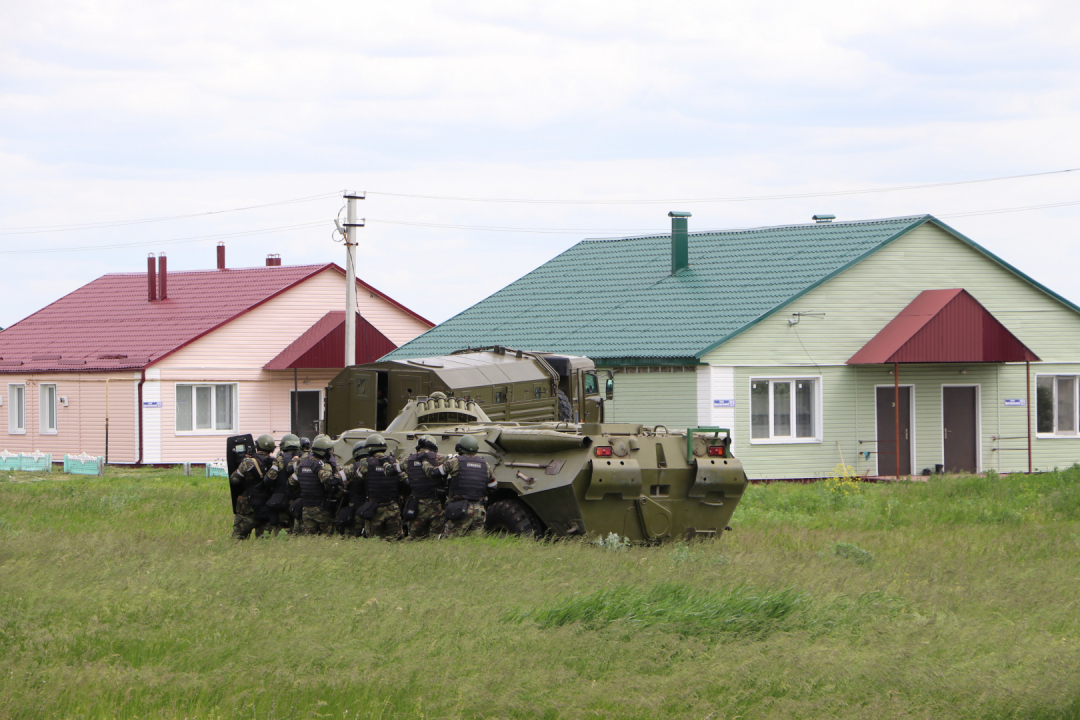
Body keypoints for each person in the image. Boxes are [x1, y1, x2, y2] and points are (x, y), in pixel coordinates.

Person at [424, 435, 496, 538]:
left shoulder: (455, 462)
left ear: (460, 448)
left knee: (450, 542)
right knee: (477, 544)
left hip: (460, 509)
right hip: (479, 510)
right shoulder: (485, 465)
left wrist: (424, 462)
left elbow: (434, 473)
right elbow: (493, 486)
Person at [357, 433, 406, 540]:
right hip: (392, 506)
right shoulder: (394, 461)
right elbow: (404, 480)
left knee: (374, 541)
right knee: (395, 539)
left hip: (374, 508)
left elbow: (359, 478)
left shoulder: (365, 463)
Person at [288, 436, 339, 535]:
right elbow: (330, 483)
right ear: (323, 451)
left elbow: (291, 483)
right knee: (326, 539)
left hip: (306, 509)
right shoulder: (325, 466)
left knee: (308, 540)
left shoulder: (301, 465)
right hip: (322, 509)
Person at [229, 433, 276, 540]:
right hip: (267, 506)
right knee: (264, 542)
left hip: (247, 508)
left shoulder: (248, 462)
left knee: (238, 538)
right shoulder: (276, 463)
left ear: (257, 446)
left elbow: (234, 480)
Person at [402, 434, 446, 539]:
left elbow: (393, 471)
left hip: (416, 505)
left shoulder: (408, 460)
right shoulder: (440, 458)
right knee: (435, 538)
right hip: (436, 505)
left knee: (415, 538)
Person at [264, 433, 302, 534]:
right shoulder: (303, 459)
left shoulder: (280, 459)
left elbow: (268, 479)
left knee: (282, 529)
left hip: (282, 500)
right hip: (299, 500)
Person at [338, 441, 371, 537]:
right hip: (372, 507)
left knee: (352, 537)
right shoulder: (375, 465)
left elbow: (335, 480)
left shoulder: (352, 468)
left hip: (356, 507)